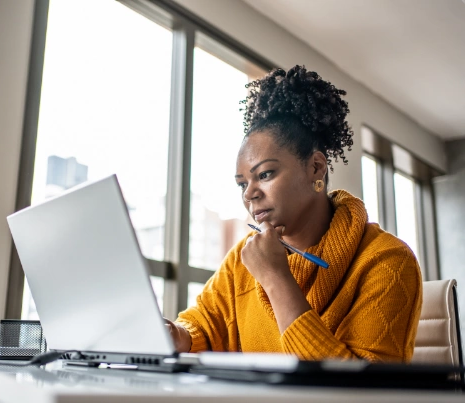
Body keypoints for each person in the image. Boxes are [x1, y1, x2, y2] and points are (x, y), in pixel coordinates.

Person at [165, 65, 422, 362]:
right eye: (242, 184)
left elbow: (362, 393)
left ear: (315, 167)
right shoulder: (242, 259)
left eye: (265, 174)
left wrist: (275, 278)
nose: (249, 193)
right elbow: (203, 326)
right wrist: (176, 334)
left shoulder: (387, 261)